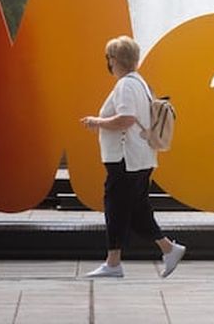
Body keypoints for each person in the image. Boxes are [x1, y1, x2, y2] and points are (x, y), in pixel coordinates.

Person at [79, 35, 185, 278]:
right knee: (137, 210)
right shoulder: (139, 82)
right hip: (140, 158)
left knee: (115, 207)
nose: (108, 63)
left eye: (108, 58)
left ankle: (114, 263)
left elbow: (125, 119)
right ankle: (169, 249)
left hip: (125, 159)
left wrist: (97, 122)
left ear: (115, 60)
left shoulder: (126, 85)